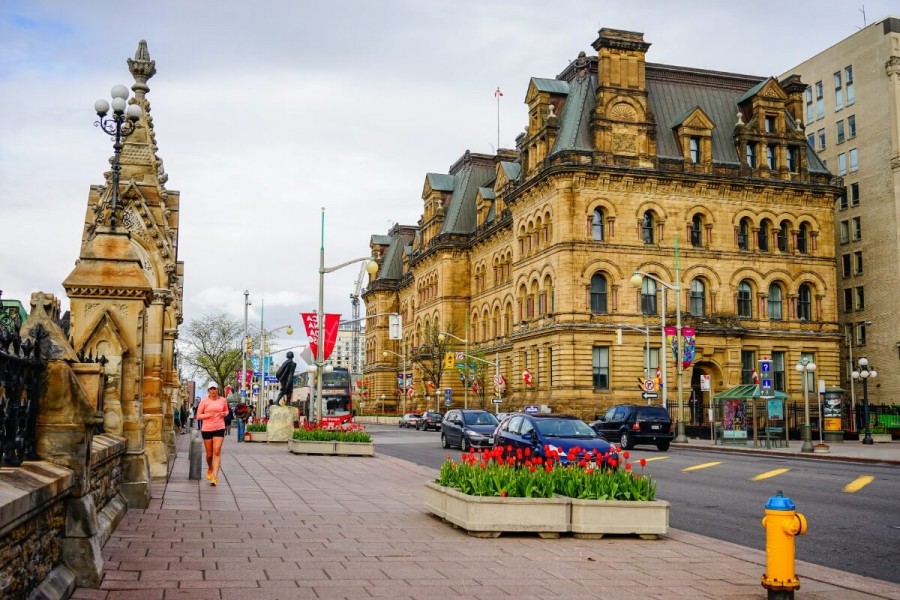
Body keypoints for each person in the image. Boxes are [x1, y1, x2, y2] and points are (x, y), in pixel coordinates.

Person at [195, 382, 228, 486]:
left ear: (217, 389)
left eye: (215, 389)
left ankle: (215, 477)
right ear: (208, 390)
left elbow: (226, 411)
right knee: (209, 455)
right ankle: (210, 467)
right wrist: (209, 414)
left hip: (219, 427)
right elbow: (198, 416)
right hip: (207, 429)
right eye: (211, 389)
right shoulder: (204, 402)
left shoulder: (223, 400)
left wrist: (224, 413)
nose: (214, 391)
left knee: (217, 452)